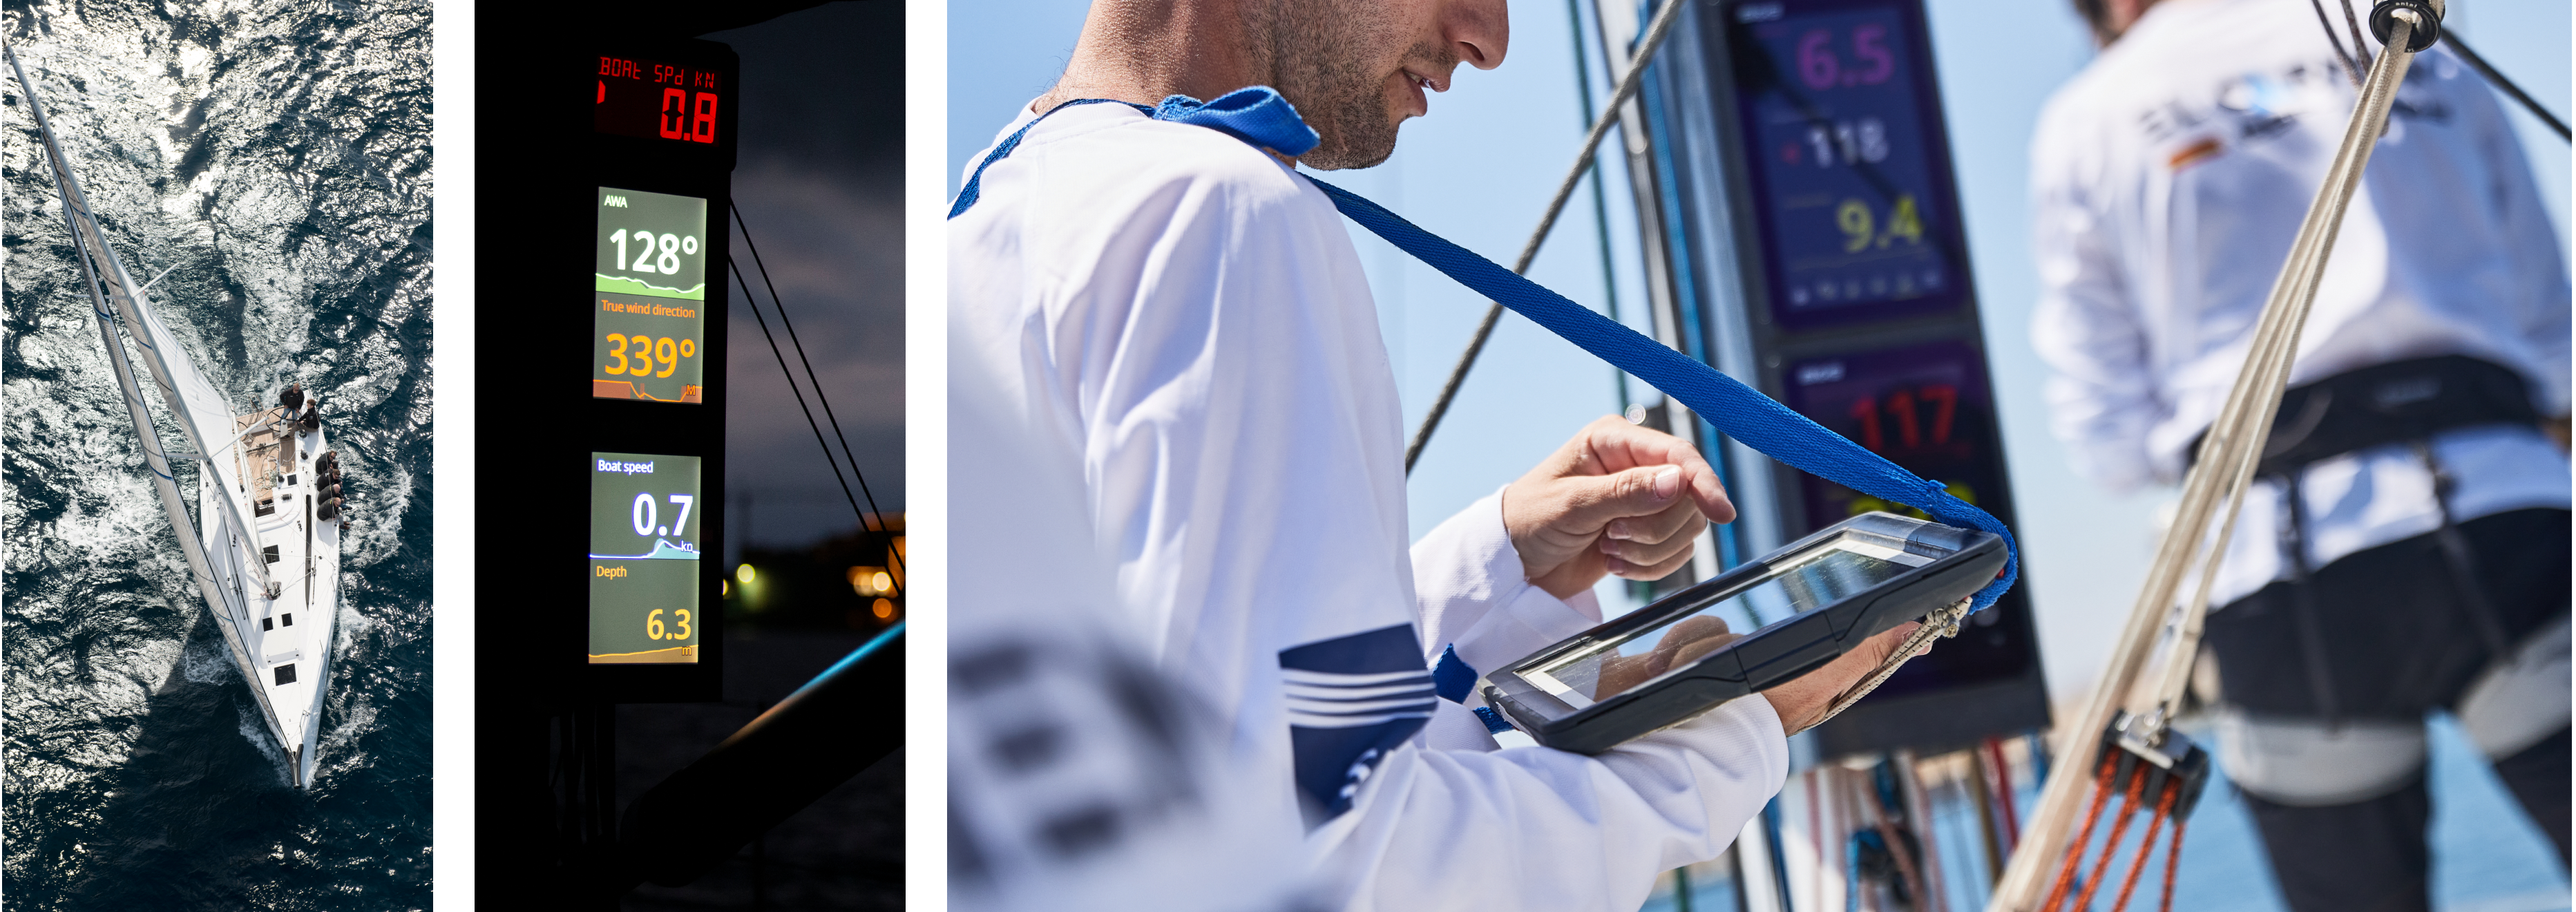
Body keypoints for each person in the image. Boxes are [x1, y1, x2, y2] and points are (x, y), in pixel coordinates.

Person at [948, 1, 1923, 909]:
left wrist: (1493, 565)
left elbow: (1195, 732)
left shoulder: (1003, 198)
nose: (1489, 37)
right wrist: (1721, 735)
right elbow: (1330, 863)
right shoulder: (1221, 212)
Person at [2030, 0, 2572, 908]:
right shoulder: (2417, 38)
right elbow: (2554, 337)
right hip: (2509, 521)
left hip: (2281, 585)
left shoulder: (2088, 117)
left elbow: (2107, 440)